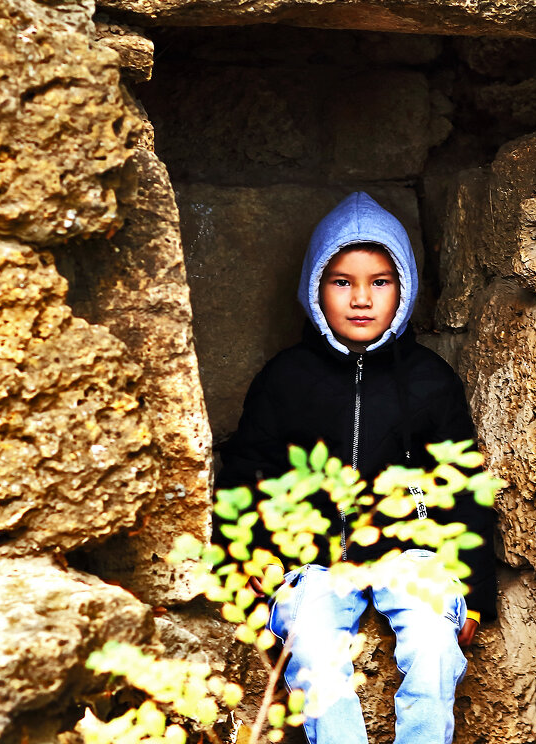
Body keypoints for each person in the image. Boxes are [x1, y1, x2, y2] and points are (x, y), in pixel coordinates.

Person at [216, 191, 497, 744]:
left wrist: (475, 594)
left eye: (380, 281)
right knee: (316, 646)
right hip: (313, 562)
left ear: (405, 288)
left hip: (412, 557)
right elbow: (248, 470)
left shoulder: (430, 380)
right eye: (342, 281)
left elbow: (465, 488)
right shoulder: (286, 377)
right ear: (315, 287)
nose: (362, 299)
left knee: (434, 648)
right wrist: (252, 558)